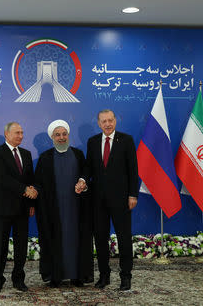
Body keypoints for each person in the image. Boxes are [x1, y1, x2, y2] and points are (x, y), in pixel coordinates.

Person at [76, 109, 138, 291]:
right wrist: (82, 180)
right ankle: (104, 276)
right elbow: (89, 168)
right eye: (104, 121)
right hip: (98, 201)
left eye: (110, 120)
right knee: (101, 239)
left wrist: (133, 194)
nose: (107, 124)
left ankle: (125, 277)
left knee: (124, 239)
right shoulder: (93, 142)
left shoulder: (126, 140)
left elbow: (133, 170)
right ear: (99, 123)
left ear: (115, 121)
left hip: (122, 200)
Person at [34, 120, 93, 288]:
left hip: (76, 209)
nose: (61, 137)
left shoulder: (78, 154)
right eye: (57, 135)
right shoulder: (45, 158)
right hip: (54, 210)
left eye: (64, 134)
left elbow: (86, 174)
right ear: (52, 137)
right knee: (55, 239)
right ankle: (56, 276)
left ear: (68, 135)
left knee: (77, 239)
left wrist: (83, 182)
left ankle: (77, 276)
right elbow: (38, 183)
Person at [0, 122, 37, 294]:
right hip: (2, 208)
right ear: (6, 134)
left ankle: (18, 278)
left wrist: (32, 202)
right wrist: (25, 190)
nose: (21, 136)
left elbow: (30, 179)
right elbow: (2, 178)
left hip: (22, 209)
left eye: (22, 133)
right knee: (1, 246)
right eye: (17, 132)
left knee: (21, 246)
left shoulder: (26, 153)